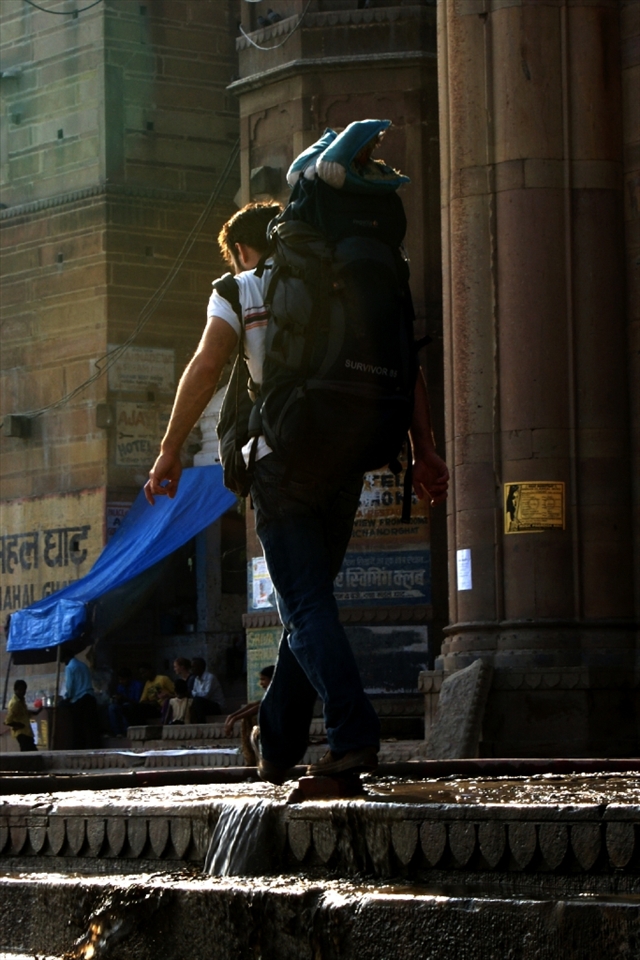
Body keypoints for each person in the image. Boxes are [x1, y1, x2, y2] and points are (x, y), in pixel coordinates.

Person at [145, 189, 448, 784]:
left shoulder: (241, 287)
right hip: (344, 465)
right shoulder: (348, 281)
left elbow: (208, 364)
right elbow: (403, 365)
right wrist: (425, 449)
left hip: (282, 466)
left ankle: (353, 734)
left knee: (304, 604)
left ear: (240, 247)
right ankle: (277, 744)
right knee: (305, 606)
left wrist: (170, 447)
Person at [224, 665, 273, 765]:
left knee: (250, 719)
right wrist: (231, 717)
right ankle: (252, 760)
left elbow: (260, 707)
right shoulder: (270, 693)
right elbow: (254, 705)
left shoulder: (279, 691)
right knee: (247, 719)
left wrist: (235, 718)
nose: (261, 683)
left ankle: (257, 761)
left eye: (264, 679)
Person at [62, 652, 101, 749]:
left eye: (63, 660)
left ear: (67, 657)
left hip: (79, 699)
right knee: (92, 727)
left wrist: (67, 697)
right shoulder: (83, 665)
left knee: (78, 727)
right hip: (90, 697)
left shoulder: (70, 667)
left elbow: (70, 686)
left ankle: (79, 747)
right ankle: (95, 746)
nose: (64, 663)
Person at [4, 679, 41, 751]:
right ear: (15, 690)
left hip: (26, 732)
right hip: (22, 733)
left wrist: (35, 712)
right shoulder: (15, 703)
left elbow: (23, 712)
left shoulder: (20, 700)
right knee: (29, 754)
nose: (22, 692)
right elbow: (8, 721)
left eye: (24, 690)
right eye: (20, 690)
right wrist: (19, 725)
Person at [108, 667, 143, 737]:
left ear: (129, 678)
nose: (121, 682)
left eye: (123, 679)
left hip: (134, 706)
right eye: (120, 680)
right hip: (122, 705)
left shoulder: (137, 685)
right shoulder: (120, 686)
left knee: (126, 706)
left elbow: (138, 701)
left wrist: (124, 698)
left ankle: (126, 731)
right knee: (112, 707)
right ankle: (117, 732)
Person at [189, 656, 225, 722]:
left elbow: (206, 695)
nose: (192, 669)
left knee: (197, 701)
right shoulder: (196, 679)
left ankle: (201, 722)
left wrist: (195, 694)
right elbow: (193, 693)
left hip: (216, 706)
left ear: (200, 667)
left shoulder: (210, 678)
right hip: (204, 704)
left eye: (194, 667)